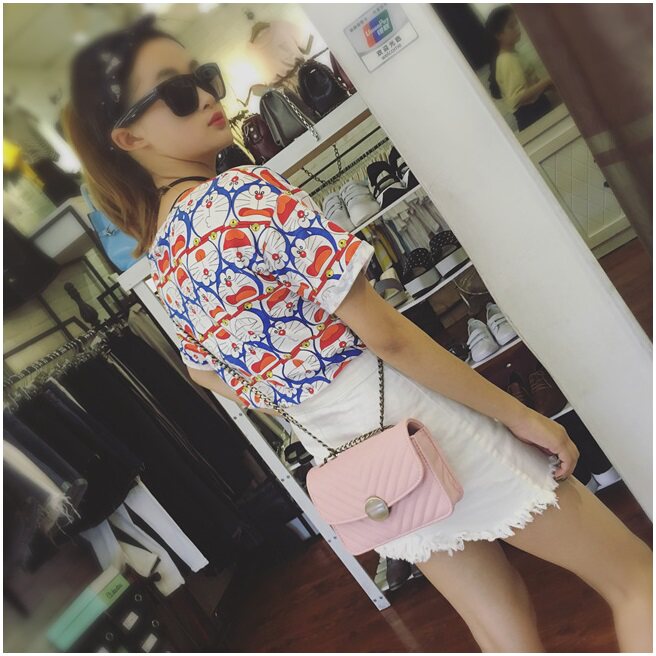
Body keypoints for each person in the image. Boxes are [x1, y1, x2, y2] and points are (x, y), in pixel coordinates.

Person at [62, 15, 652, 653]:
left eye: (205, 77)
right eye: (178, 92)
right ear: (128, 137)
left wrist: (294, 385)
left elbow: (207, 374)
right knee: (635, 580)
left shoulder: (165, 259)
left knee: (500, 631)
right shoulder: (242, 193)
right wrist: (521, 416)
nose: (207, 96)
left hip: (351, 453)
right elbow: (388, 337)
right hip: (414, 410)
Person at [485, 5, 554, 131]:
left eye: (516, 23)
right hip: (532, 115)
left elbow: (532, 85)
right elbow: (517, 99)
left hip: (538, 108)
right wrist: (548, 80)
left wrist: (549, 85)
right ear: (499, 35)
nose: (517, 28)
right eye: (511, 26)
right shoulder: (506, 60)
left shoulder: (514, 54)